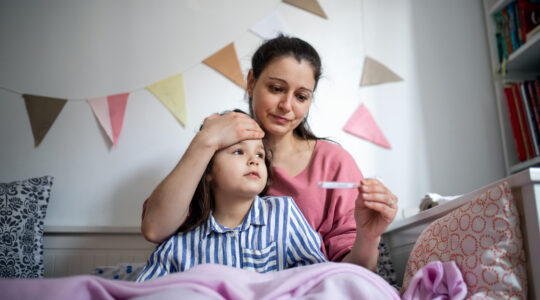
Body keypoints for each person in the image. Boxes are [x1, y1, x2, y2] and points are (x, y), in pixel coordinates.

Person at [141, 35, 398, 271]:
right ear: (251, 82)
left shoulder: (334, 162)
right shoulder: (216, 148)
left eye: (301, 96)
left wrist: (369, 236)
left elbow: (356, 274)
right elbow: (155, 229)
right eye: (276, 89)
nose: (287, 106)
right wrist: (205, 141)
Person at [137, 118, 327, 281]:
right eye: (238, 152)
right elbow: (148, 289)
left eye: (260, 154)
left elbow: (317, 275)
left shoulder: (284, 213)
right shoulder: (181, 238)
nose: (254, 160)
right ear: (208, 169)